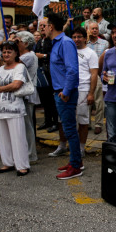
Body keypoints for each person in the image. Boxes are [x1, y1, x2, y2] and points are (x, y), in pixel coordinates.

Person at [41, 13, 82, 180]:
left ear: (51, 27)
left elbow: (72, 70)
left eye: (44, 26)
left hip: (65, 93)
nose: (42, 29)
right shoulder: (57, 43)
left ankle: (75, 166)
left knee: (70, 130)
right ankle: (75, 161)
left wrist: (65, 92)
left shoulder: (65, 42)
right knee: (68, 129)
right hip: (60, 92)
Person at [49, 27, 98, 158]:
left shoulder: (91, 53)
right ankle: (62, 146)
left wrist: (91, 93)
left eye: (79, 37)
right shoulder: (68, 49)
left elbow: (94, 74)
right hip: (67, 89)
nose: (76, 39)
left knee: (82, 120)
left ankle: (81, 148)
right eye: (74, 37)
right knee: (62, 119)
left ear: (85, 38)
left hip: (83, 89)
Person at [0, 41, 30, 176]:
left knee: (18, 137)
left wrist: (0, 89)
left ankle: (22, 165)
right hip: (0, 107)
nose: (6, 54)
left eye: (9, 51)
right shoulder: (1, 69)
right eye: (4, 52)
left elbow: (16, 84)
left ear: (15, 53)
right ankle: (7, 162)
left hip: (14, 108)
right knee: (3, 138)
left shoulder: (20, 67)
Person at [14, 31, 40, 163]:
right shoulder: (27, 55)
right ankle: (26, 152)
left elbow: (13, 66)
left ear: (25, 43)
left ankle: (31, 154)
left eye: (17, 41)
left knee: (27, 124)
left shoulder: (28, 56)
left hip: (27, 93)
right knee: (25, 124)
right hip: (25, 93)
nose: (15, 43)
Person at [87, 21, 109, 134]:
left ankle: (98, 124)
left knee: (99, 101)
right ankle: (86, 123)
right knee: (86, 100)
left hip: (98, 74)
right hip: (86, 75)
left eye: (96, 28)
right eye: (92, 28)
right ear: (88, 30)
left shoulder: (104, 43)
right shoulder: (85, 43)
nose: (95, 30)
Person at [34, 27, 58, 132]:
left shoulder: (52, 41)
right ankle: (47, 121)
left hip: (51, 73)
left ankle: (55, 122)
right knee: (45, 99)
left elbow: (54, 55)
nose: (42, 28)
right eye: (41, 27)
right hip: (41, 73)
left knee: (52, 100)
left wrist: (43, 55)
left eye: (44, 26)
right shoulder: (40, 41)